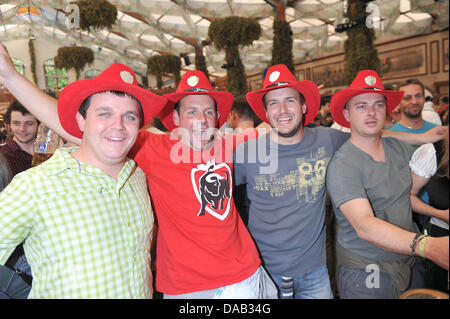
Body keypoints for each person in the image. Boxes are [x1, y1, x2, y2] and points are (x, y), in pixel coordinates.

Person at [0, 43, 276, 299]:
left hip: (245, 276)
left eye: (208, 112)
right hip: (188, 285)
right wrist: (10, 76)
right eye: (191, 112)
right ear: (176, 119)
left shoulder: (228, 143)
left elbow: (271, 132)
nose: (201, 120)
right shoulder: (151, 147)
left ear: (218, 118)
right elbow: (73, 126)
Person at [0, 62, 168, 298]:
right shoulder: (36, 185)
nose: (118, 126)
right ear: (80, 120)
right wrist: (9, 74)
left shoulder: (136, 176)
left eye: (129, 116)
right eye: (105, 114)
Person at [326, 70, 449, 299]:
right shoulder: (343, 165)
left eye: (378, 105)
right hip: (367, 271)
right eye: (361, 106)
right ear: (347, 113)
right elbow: (364, 225)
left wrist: (438, 213)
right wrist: (426, 246)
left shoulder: (398, 149)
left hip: (409, 262)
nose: (371, 112)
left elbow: (408, 194)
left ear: (386, 110)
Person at [409, 124, 449, 293]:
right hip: (440, 235)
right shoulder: (433, 151)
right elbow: (407, 196)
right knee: (435, 290)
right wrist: (441, 214)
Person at [0, 100, 38, 177]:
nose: (22, 129)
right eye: (16, 123)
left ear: (38, 124)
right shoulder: (2, 155)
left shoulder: (48, 152)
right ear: (9, 125)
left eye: (29, 123)